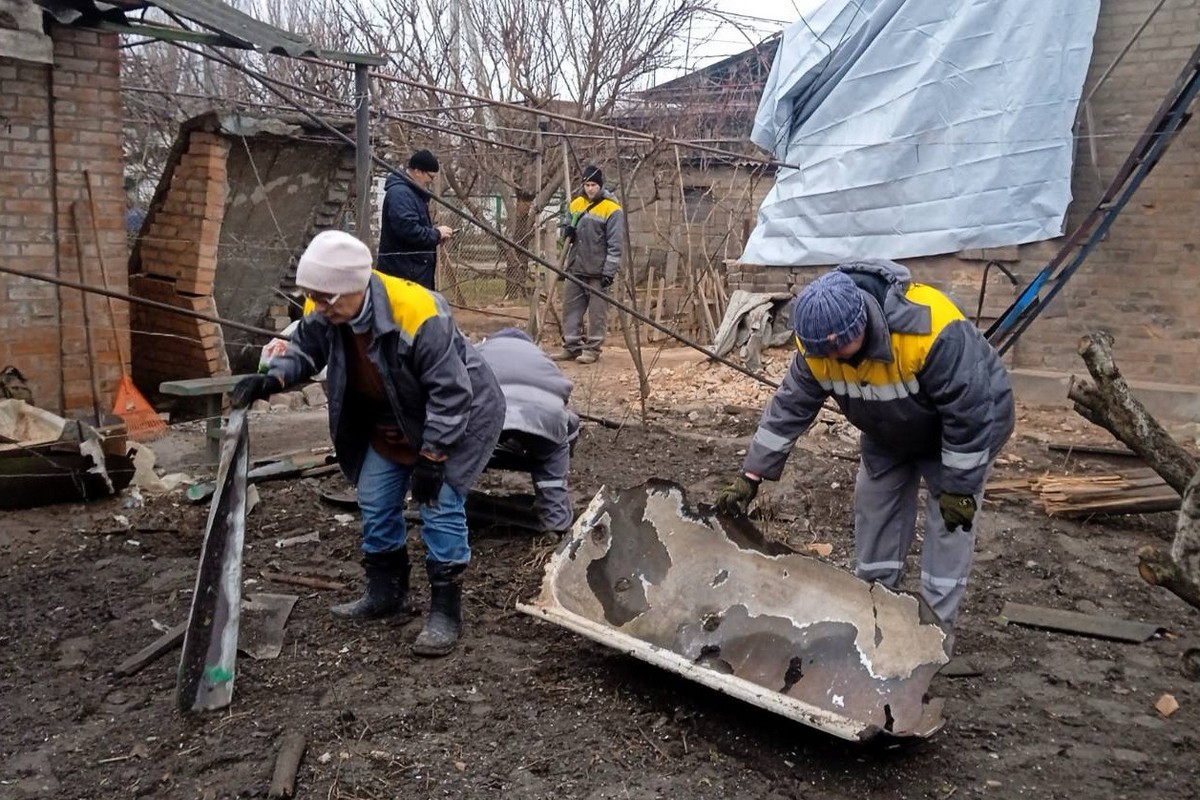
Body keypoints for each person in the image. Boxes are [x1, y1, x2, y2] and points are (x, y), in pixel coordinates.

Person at [231, 230, 503, 657]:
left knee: (439, 504)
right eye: (314, 298)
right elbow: (306, 348)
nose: (318, 307)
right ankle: (387, 592)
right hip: (389, 418)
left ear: (355, 287)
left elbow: (452, 393)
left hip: (454, 418)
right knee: (375, 499)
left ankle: (445, 611)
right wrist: (275, 376)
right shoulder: (324, 303)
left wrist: (433, 456)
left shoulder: (418, 312)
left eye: (326, 300)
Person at [715, 260, 1014, 632]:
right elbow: (788, 409)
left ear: (861, 324)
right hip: (888, 429)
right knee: (875, 511)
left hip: (963, 433)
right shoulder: (816, 349)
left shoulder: (930, 330)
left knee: (950, 526)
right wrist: (750, 476)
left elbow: (969, 416)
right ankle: (876, 617)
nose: (833, 360)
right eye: (822, 354)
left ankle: (934, 638)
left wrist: (959, 489)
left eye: (841, 348)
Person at [477, 327, 579, 535]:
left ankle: (447, 514)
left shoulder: (481, 349)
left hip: (491, 414)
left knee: (460, 453)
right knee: (554, 449)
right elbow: (563, 395)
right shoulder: (542, 357)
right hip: (545, 418)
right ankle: (555, 522)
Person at [553, 165, 623, 364]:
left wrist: (609, 271)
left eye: (593, 185)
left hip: (598, 270)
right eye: (587, 185)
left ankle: (592, 349)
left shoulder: (612, 209)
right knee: (570, 308)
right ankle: (571, 346)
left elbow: (615, 244)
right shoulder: (576, 204)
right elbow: (567, 228)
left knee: (597, 313)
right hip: (576, 266)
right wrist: (568, 232)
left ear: (600, 186)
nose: (590, 189)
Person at [377, 149, 454, 290]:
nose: (431, 182)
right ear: (418, 171)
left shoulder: (412, 193)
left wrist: (435, 238)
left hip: (412, 270)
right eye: (430, 177)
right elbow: (408, 230)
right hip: (404, 273)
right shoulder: (401, 194)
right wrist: (436, 234)